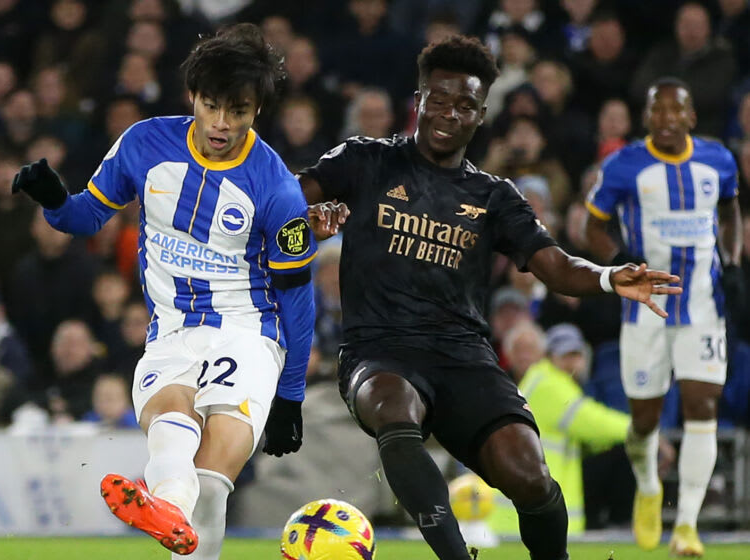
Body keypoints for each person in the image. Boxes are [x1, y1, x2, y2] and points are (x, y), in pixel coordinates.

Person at [301, 35, 680, 560]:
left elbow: (555, 265)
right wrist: (306, 221)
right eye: (439, 99)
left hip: (464, 357)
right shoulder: (364, 160)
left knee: (530, 475)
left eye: (465, 105)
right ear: (419, 100)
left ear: (481, 115)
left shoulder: (494, 196)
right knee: (394, 408)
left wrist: (607, 277)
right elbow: (285, 199)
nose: (449, 113)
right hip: (379, 351)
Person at [10, 23, 317, 559]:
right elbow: (86, 217)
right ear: (192, 95)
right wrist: (54, 200)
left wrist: (290, 395)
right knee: (170, 427)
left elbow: (297, 296)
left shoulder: (276, 187)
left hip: (247, 332)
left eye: (238, 111)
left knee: (211, 479)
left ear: (257, 110)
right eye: (211, 105)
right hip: (171, 329)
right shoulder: (144, 143)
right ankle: (168, 508)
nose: (221, 124)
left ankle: (170, 504)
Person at [585, 77, 744, 557]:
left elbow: (730, 211)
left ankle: (687, 524)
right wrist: (619, 263)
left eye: (677, 111)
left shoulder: (719, 160)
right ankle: (649, 485)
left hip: (703, 308)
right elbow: (593, 227)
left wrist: (732, 262)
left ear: (691, 117)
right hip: (645, 311)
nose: (668, 119)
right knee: (643, 421)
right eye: (658, 111)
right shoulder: (624, 166)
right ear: (647, 117)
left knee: (703, 406)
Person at [487, 322, 633, 536]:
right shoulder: (549, 384)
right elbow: (592, 421)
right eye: (564, 356)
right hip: (531, 513)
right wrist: (642, 428)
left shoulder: (546, 382)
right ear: (549, 357)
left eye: (576, 355)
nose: (570, 362)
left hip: (526, 508)